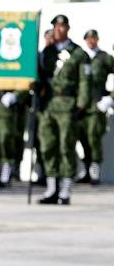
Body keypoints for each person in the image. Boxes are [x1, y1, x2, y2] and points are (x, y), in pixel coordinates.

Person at [37, 15, 91, 205]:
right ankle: (51, 188)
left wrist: (82, 104)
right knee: (47, 145)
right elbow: (40, 75)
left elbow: (85, 81)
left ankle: (65, 190)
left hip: (68, 104)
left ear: (67, 28)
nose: (58, 30)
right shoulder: (47, 52)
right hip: (48, 104)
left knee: (66, 146)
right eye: (55, 27)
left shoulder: (77, 53)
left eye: (61, 26)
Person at [76, 29, 113, 184]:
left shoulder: (104, 58)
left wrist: (110, 98)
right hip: (81, 105)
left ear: (97, 39)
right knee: (82, 137)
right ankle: (86, 170)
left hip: (96, 104)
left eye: (94, 38)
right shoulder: (79, 58)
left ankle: (95, 170)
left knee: (93, 137)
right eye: (88, 39)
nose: (91, 41)